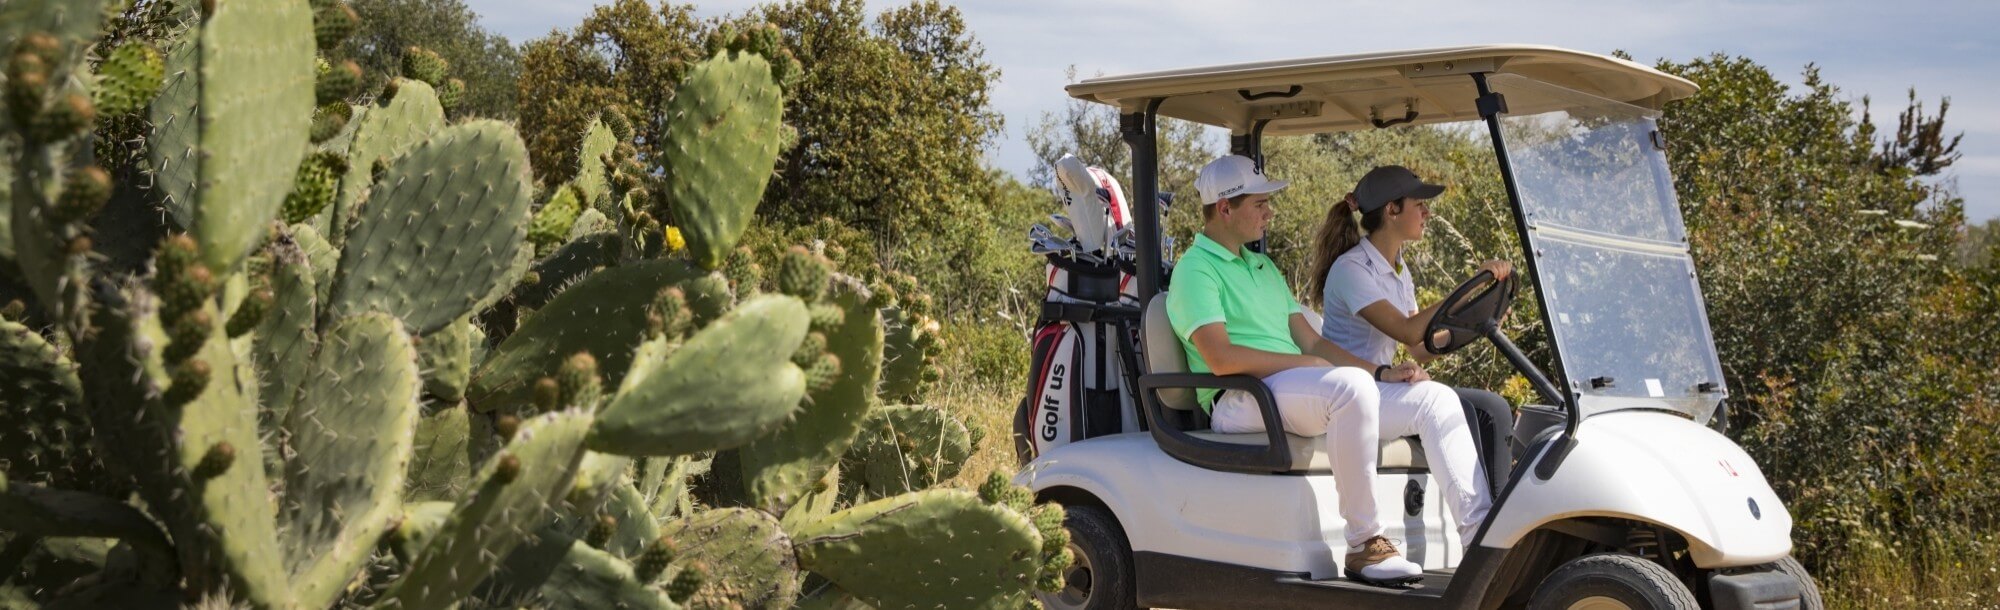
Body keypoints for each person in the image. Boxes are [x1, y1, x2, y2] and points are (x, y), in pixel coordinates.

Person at [1167, 155, 1490, 585]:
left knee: (1434, 399)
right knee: (1349, 389)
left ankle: (1483, 542)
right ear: (1225, 209)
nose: (1270, 212)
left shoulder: (1262, 267)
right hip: (1242, 399)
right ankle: (1365, 544)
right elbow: (1222, 359)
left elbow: (1316, 343)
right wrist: (1310, 365)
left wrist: (1379, 372)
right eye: (1260, 204)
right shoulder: (1195, 270)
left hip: (1294, 390)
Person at [1306, 164, 1519, 500]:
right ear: (1391, 209)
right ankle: (1478, 528)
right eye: (1419, 204)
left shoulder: (1398, 269)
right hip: (1353, 394)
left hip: (1384, 387)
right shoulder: (1351, 269)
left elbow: (1422, 347)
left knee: (1491, 409)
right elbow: (1406, 331)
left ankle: (1497, 515)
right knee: (1436, 402)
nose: (1427, 212)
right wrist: (1468, 288)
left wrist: (1479, 322)